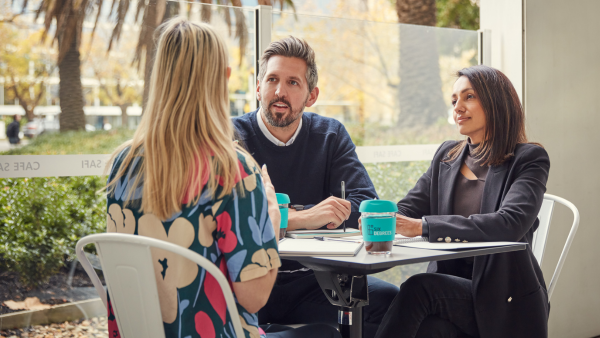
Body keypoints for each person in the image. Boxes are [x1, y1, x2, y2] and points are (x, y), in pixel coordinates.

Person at [105, 19, 340, 338]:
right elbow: (254, 297)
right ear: (223, 78)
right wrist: (271, 219)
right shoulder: (233, 170)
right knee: (325, 333)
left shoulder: (124, 162)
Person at [233, 36, 399, 338]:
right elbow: (236, 219)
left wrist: (283, 216)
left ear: (312, 95)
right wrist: (306, 217)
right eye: (272, 80)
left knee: (394, 303)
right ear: (258, 87)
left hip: (316, 281)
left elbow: (363, 204)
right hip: (248, 278)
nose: (280, 92)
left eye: (293, 83)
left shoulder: (330, 135)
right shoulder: (232, 135)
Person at [374, 65, 550, 338]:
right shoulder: (448, 155)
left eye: (469, 97)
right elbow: (410, 207)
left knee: (418, 289)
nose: (457, 107)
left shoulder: (528, 159)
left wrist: (422, 227)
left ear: (496, 101)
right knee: (427, 328)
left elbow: (509, 223)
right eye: (454, 100)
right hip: (455, 293)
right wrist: (380, 217)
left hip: (504, 299)